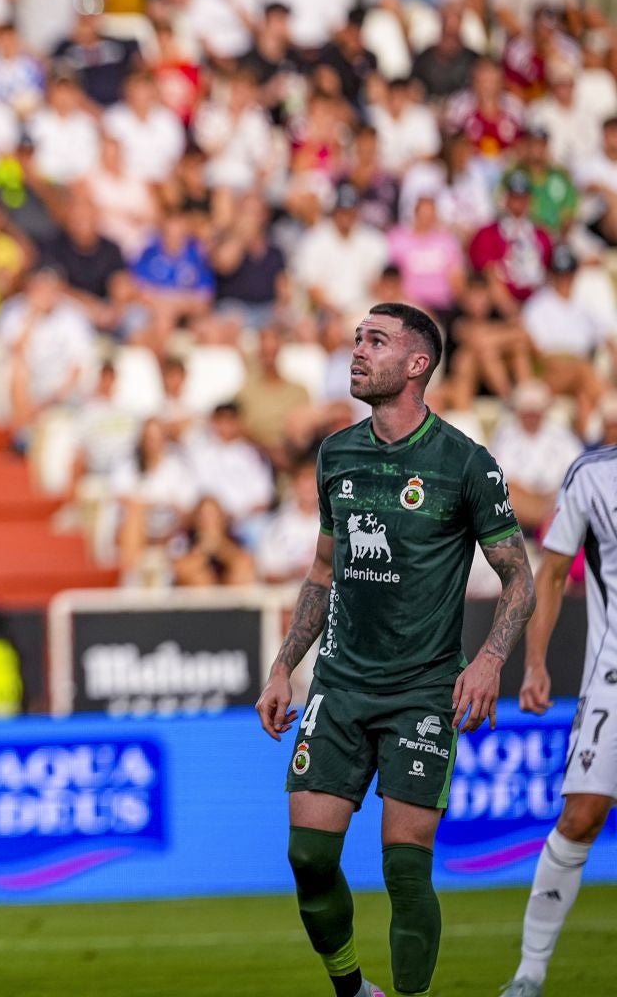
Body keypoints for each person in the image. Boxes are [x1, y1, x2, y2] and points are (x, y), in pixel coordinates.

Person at [254, 303, 536, 997]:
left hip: (422, 693)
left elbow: (518, 576)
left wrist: (491, 658)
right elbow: (323, 573)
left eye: (374, 341)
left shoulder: (465, 462)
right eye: (356, 339)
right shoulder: (336, 453)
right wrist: (283, 665)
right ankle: (353, 990)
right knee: (308, 856)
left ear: (417, 364)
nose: (357, 351)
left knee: (405, 869)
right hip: (339, 687)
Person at [501, 441, 617, 996]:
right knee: (581, 816)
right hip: (613, 679)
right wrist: (536, 662)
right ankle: (530, 972)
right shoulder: (592, 474)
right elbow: (550, 573)